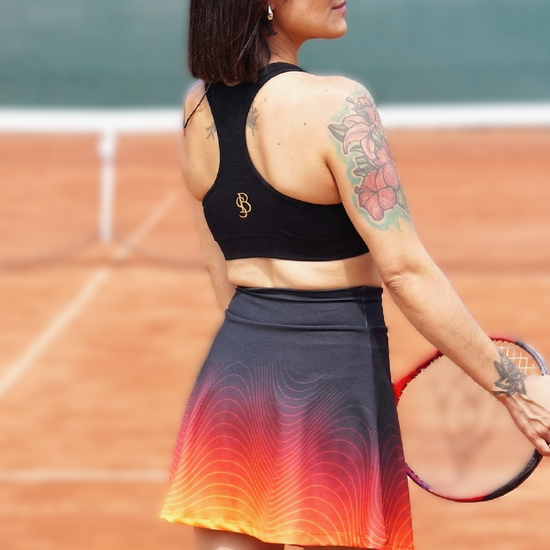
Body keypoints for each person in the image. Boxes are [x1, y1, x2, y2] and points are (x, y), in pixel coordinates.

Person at [161, 1, 550, 549]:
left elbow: (222, 274)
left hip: (233, 385)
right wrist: (516, 389)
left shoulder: (195, 109)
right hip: (334, 390)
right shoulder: (340, 106)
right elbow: (407, 272)